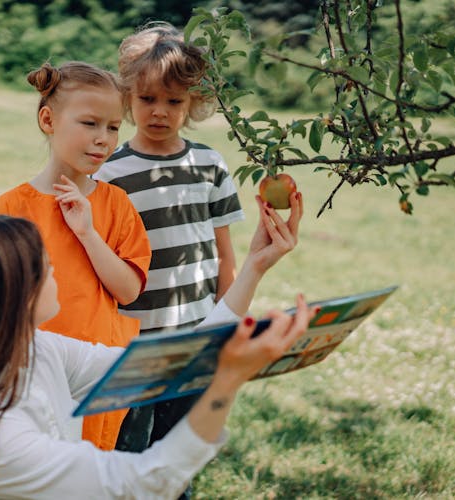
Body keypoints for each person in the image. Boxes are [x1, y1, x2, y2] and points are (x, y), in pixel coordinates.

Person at [0, 202, 310, 499]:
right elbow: (146, 483)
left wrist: (254, 267)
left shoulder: (33, 349)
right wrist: (226, 384)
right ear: (16, 296)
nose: (55, 272)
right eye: (46, 265)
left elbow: (165, 365)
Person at [93, 22, 305, 460]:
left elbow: (223, 253)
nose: (160, 111)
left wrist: (223, 329)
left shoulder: (209, 164)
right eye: (147, 99)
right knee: (127, 455)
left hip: (196, 335)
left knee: (178, 454)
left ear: (193, 103)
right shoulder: (108, 171)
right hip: (132, 344)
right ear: (128, 96)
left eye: (174, 101)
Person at [0, 61, 151, 450]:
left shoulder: (117, 204)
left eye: (113, 127)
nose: (104, 139)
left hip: (96, 376)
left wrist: (87, 233)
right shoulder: (12, 208)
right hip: (31, 377)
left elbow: (128, 291)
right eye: (90, 123)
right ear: (48, 120)